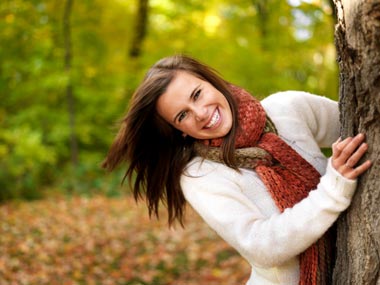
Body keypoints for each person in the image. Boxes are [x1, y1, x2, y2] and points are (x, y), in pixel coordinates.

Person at [102, 55, 371, 285]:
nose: (200, 113)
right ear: (179, 131)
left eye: (197, 94)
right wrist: (334, 188)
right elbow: (262, 245)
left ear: (212, 82)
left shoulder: (287, 108)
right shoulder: (200, 175)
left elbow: (368, 127)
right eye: (182, 115)